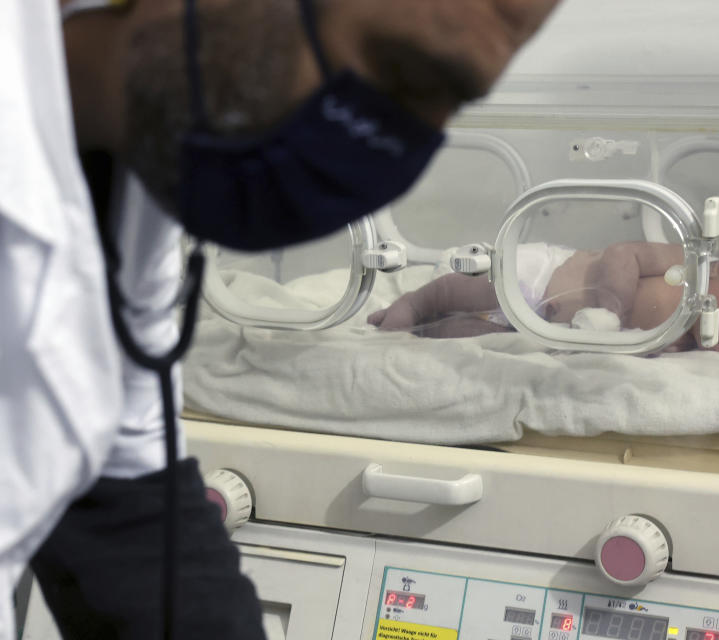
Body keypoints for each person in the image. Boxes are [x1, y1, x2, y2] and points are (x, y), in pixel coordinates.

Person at [1, 1, 560, 639]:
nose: (384, 151)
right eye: (397, 73)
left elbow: (127, 501)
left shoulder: (131, 189)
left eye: (443, 105)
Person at [368, 242, 719, 354]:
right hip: (542, 280)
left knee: (469, 338)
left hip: (540, 332)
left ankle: (420, 334)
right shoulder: (684, 264)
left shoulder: (685, 349)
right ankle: (415, 304)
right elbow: (621, 254)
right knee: (469, 287)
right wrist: (612, 305)